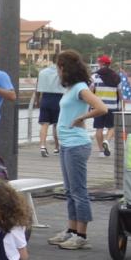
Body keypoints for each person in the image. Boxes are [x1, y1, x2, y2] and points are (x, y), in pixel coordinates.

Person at [50, 50, 108, 249]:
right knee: (69, 190)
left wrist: (82, 118)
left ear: (64, 68)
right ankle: (72, 229)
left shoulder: (80, 88)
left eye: (58, 67)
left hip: (76, 144)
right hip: (67, 144)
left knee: (78, 190)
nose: (57, 71)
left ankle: (81, 235)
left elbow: (102, 108)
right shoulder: (72, 88)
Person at [91, 55, 120, 157]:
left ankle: (101, 151)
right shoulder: (116, 76)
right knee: (112, 127)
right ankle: (107, 140)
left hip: (98, 107)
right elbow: (120, 92)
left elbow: (90, 91)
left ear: (102, 64)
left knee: (99, 128)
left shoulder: (95, 76)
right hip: (112, 106)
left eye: (99, 62)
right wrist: (121, 105)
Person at [35, 61, 64, 157]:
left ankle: (43, 146)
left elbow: (37, 87)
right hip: (58, 98)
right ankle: (57, 147)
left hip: (45, 98)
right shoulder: (62, 71)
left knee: (44, 124)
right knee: (57, 124)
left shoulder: (42, 72)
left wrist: (37, 100)